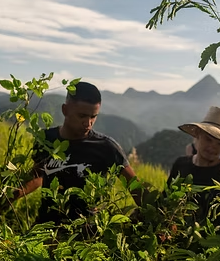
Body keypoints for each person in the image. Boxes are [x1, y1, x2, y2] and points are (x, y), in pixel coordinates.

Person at [13, 81, 138, 224]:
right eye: (82, 116)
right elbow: (38, 174)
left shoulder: (106, 147)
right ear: (65, 110)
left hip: (88, 234)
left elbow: (136, 188)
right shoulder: (46, 139)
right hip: (47, 227)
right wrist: (6, 198)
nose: (88, 123)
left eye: (93, 116)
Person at [167, 106, 220, 223]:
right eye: (208, 139)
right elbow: (166, 199)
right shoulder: (181, 164)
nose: (212, 147)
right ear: (198, 134)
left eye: (219, 144)